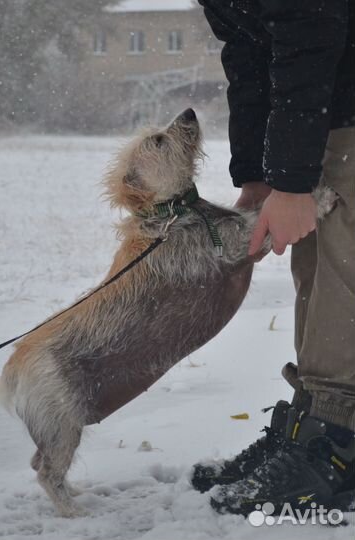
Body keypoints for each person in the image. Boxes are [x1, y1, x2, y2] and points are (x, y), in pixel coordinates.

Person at [191, 0, 355, 517]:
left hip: (342, 101)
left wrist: (289, 178)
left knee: (345, 267)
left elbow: (309, 27)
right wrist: (261, 175)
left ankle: (337, 446)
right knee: (315, 261)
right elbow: (248, 50)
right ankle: (311, 427)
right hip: (328, 109)